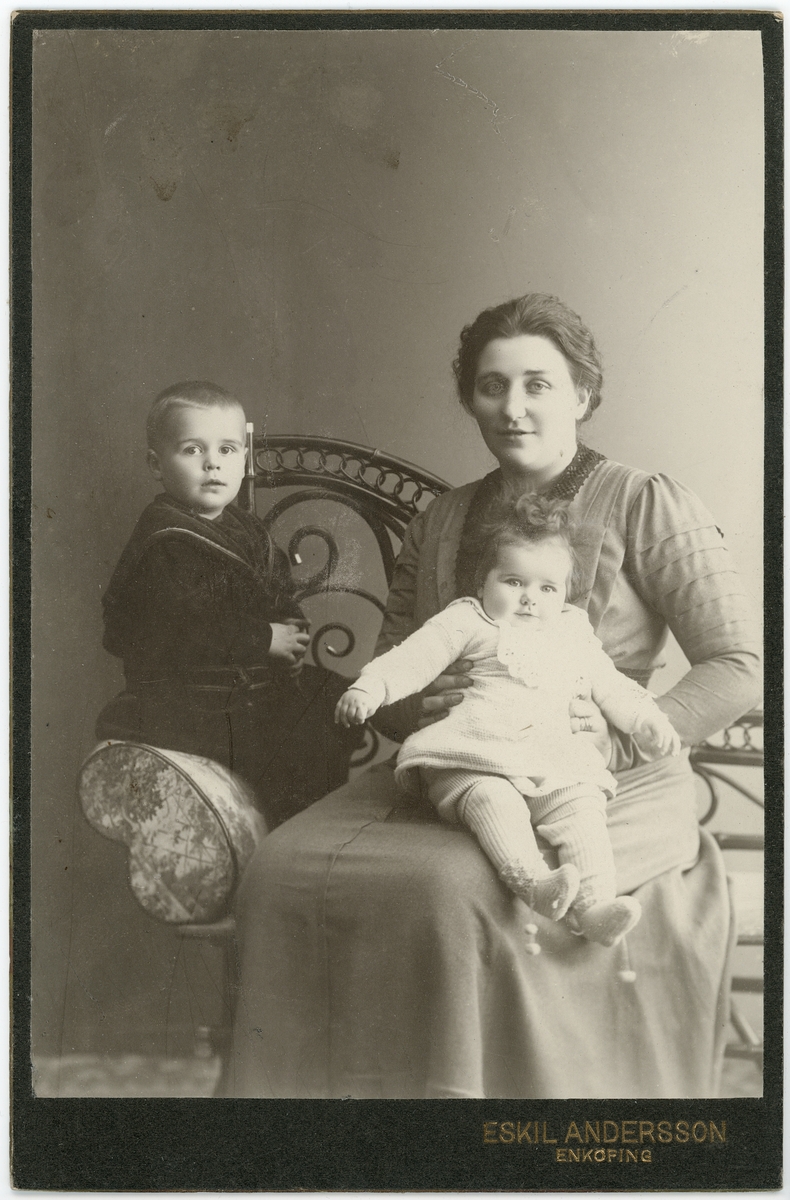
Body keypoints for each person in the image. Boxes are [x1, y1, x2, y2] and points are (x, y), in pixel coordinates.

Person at [225, 294, 761, 1098]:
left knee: (450, 893)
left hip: (604, 782)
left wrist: (620, 735)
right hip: (466, 766)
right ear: (471, 398)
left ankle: (471, 1124)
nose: (513, 408)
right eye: (491, 386)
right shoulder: (442, 518)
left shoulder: (646, 502)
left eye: (538, 385)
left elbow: (738, 663)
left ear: (583, 394)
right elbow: (395, 669)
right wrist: (421, 703)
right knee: (279, 869)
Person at [335, 494, 680, 948]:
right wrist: (371, 688)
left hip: (551, 760)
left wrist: (646, 720)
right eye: (514, 581)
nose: (530, 598)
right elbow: (413, 659)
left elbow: (610, 684)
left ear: (565, 593)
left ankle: (594, 907)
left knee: (583, 810)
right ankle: (533, 883)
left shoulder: (572, 632)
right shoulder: (466, 620)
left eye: (547, 588)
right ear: (483, 581)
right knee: (494, 800)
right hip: (472, 756)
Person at [96, 381, 359, 830]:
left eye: (227, 449)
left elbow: (277, 587)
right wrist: (264, 638)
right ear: (157, 465)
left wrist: (290, 629)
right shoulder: (166, 542)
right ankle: (270, 828)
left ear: (243, 458)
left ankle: (303, 829)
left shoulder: (244, 527)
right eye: (192, 450)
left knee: (331, 696)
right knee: (284, 739)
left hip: (245, 684)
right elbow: (183, 626)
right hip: (190, 699)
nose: (213, 463)